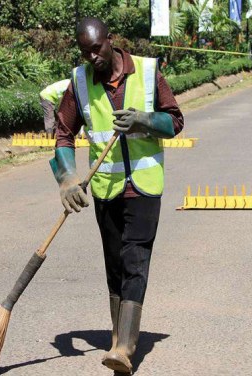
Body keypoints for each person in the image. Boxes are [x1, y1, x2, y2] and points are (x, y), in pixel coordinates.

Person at [51, 17, 184, 374]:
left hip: (143, 187)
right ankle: (116, 339)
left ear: (111, 41)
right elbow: (63, 132)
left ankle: (124, 347)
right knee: (114, 265)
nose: (92, 56)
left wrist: (144, 120)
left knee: (135, 258)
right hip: (105, 190)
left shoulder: (147, 71)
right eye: (84, 51)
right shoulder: (79, 82)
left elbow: (175, 122)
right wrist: (66, 178)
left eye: (97, 48)